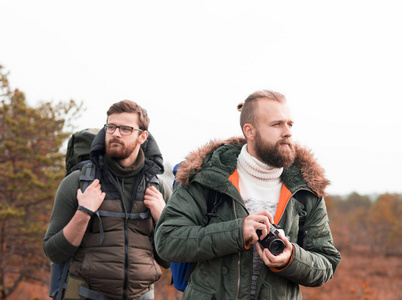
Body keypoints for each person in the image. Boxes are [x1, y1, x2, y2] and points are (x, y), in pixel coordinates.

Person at [155, 90, 341, 299]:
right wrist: (237, 232)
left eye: (290, 124)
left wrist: (292, 259)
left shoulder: (306, 189)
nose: (287, 132)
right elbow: (167, 240)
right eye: (276, 124)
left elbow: (327, 262)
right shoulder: (205, 177)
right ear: (250, 131)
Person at [43, 100, 172, 300]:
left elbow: (169, 260)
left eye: (125, 129)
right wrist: (84, 211)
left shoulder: (158, 189)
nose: (116, 133)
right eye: (111, 127)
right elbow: (53, 252)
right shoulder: (78, 182)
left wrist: (162, 219)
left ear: (142, 136)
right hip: (85, 294)